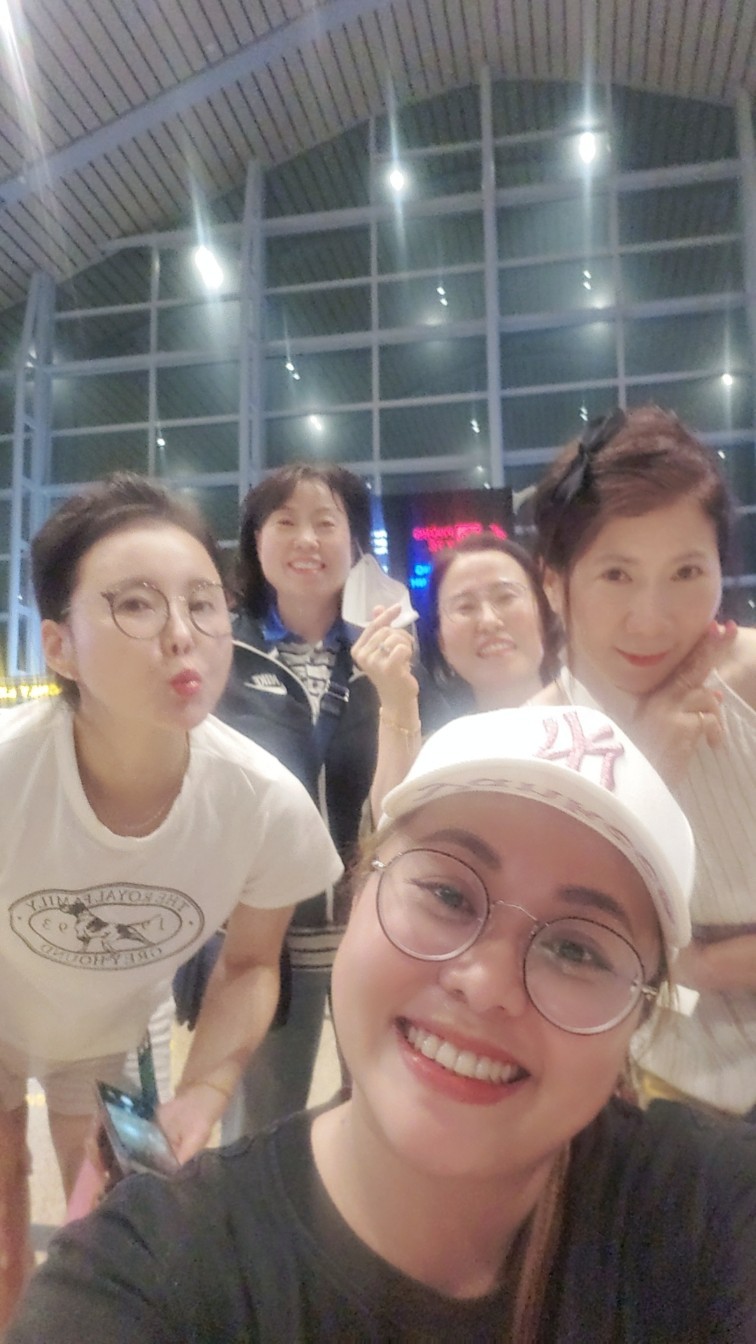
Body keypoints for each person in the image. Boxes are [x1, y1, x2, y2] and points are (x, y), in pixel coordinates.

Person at [9, 703, 756, 1342]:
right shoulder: (149, 1276)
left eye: (576, 950)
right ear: (359, 892)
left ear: (639, 1017)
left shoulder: (705, 1213)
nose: (486, 985)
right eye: (448, 895)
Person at [0, 473, 341, 1329]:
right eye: (136, 605)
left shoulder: (262, 802)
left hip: (114, 1036)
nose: (182, 633)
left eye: (203, 602)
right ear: (60, 646)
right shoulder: (11, 773)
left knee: (114, 1238)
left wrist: (205, 1088)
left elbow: (251, 964)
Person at [532, 404, 756, 1117]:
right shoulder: (533, 741)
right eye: (616, 574)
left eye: (686, 571)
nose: (653, 620)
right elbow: (544, 942)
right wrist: (637, 777)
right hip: (658, 1093)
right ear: (554, 583)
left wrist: (707, 964)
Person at [215, 463, 379, 1138]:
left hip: (373, 937)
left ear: (356, 543)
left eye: (326, 523)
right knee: (255, 1132)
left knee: (378, 1124)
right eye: (284, 521)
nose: (306, 539)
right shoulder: (219, 651)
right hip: (262, 940)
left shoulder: (389, 651)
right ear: (256, 542)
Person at [353, 532, 560, 817]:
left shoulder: (601, 718)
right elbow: (388, 832)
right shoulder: (440, 754)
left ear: (545, 614)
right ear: (442, 643)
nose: (489, 621)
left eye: (506, 597)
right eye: (465, 607)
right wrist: (397, 703)